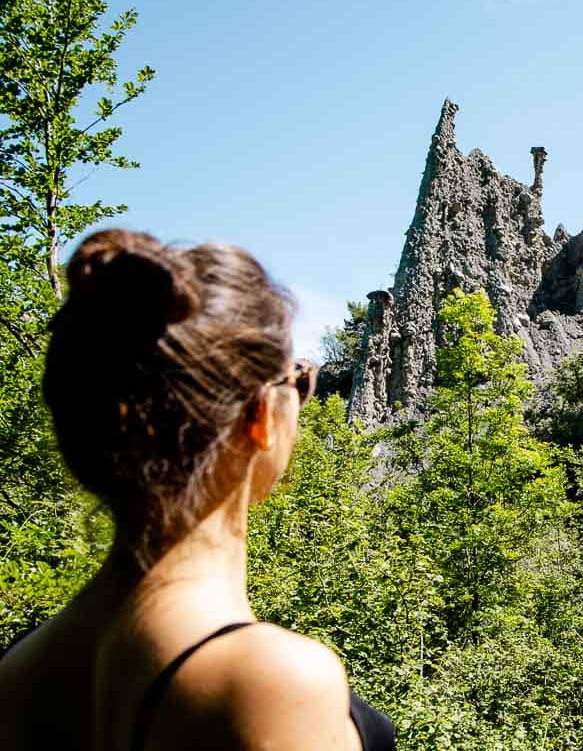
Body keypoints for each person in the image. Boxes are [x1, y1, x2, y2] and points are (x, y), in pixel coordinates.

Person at [0, 230, 395, 750]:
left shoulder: (18, 665)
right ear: (259, 417)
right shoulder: (270, 683)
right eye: (299, 383)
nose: (304, 399)